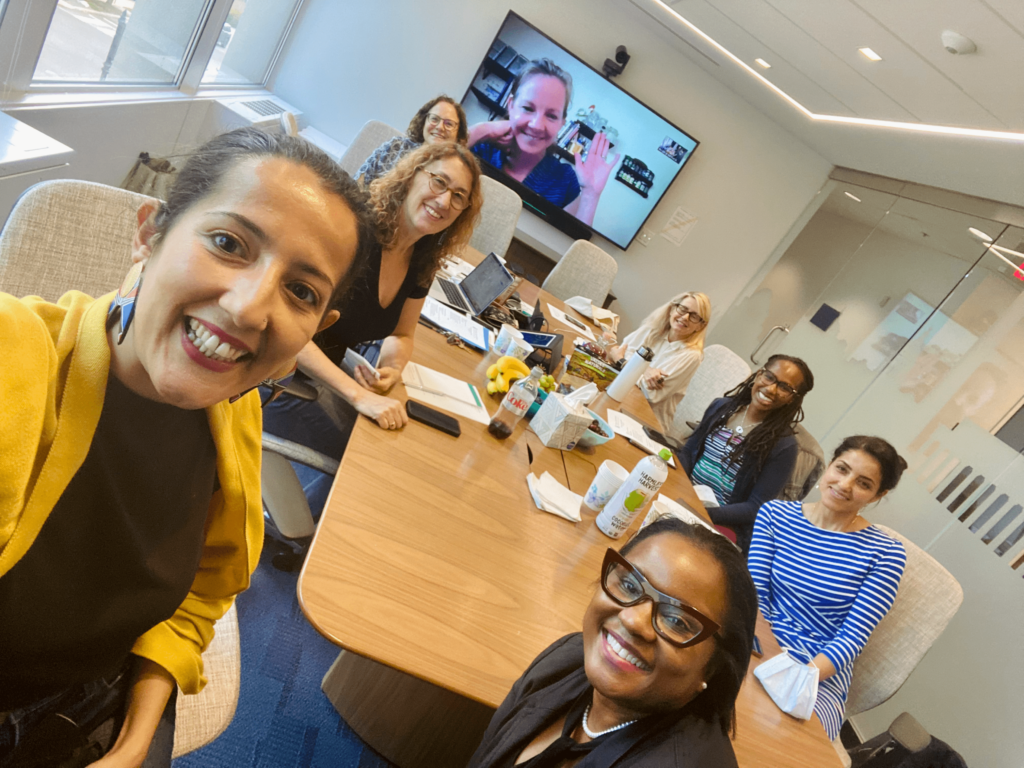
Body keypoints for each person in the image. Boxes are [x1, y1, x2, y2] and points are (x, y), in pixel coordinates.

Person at [0, 127, 372, 767]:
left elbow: (200, 595)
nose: (251, 308)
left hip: (91, 708)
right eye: (229, 244)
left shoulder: (235, 414)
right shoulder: (18, 359)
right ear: (150, 233)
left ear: (319, 330)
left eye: (301, 291)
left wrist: (134, 741)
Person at [261, 142, 482, 514]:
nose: (444, 201)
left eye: (458, 196)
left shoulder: (422, 259)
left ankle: (304, 530)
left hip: (321, 375)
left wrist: (391, 369)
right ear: (413, 176)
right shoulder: (356, 232)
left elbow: (403, 334)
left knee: (394, 440)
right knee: (371, 459)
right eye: (439, 183)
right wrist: (359, 395)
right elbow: (287, 322)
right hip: (278, 373)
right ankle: (295, 538)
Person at [467, 517, 758, 768]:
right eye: (630, 585)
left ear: (713, 669)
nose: (633, 621)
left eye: (678, 621)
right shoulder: (566, 661)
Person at [748, 436, 908, 742]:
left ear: (877, 495)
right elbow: (756, 596)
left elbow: (852, 638)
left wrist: (796, 679)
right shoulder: (776, 515)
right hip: (759, 640)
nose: (845, 485)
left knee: (779, 747)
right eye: (842, 469)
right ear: (829, 466)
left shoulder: (886, 554)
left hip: (817, 674)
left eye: (863, 483)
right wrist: (765, 657)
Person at [679, 354, 815, 554]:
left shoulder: (784, 446)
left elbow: (755, 507)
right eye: (769, 377)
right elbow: (690, 452)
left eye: (785, 388)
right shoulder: (722, 407)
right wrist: (676, 484)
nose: (771, 389)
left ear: (793, 399)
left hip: (720, 522)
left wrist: (703, 512)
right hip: (686, 497)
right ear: (759, 375)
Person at [468, 58, 619, 227]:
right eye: (528, 108)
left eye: (551, 115)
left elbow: (567, 243)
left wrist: (591, 193)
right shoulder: (480, 146)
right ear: (510, 105)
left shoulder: (565, 180)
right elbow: (435, 166)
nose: (537, 125)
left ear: (562, 124)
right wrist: (480, 130)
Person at [604, 292, 711, 431]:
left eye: (695, 316)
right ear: (673, 309)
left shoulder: (691, 356)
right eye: (683, 309)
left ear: (701, 326)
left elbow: (650, 394)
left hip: (645, 420)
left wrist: (622, 361)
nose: (685, 317)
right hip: (619, 393)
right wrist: (645, 370)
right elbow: (619, 351)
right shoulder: (652, 329)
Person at [356, 94, 469, 185]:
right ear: (423, 121)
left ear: (458, 133)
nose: (440, 127)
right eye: (434, 119)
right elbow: (360, 180)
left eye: (449, 124)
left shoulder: (452, 172)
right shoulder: (397, 146)